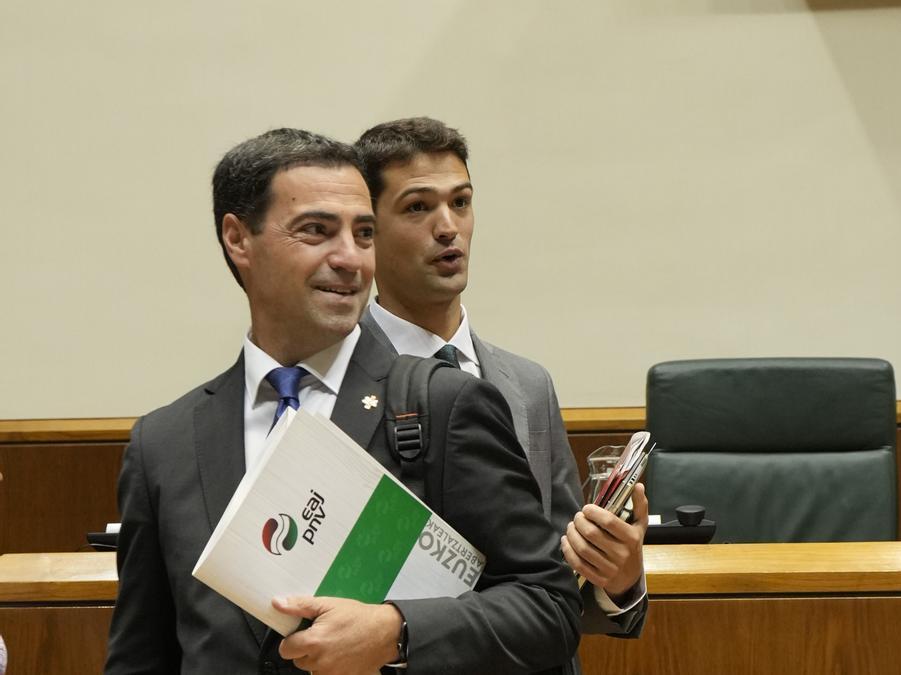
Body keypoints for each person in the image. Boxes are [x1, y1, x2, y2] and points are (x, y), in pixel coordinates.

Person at [105, 128, 580, 675]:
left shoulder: (444, 403)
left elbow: (550, 607)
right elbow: (142, 654)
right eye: (317, 231)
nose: (351, 259)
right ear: (238, 239)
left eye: (364, 234)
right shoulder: (164, 443)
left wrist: (398, 632)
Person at [353, 118, 648, 669]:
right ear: (367, 231)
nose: (448, 227)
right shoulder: (339, 378)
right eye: (418, 207)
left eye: (461, 202)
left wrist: (619, 577)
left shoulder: (526, 384)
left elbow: (561, 588)